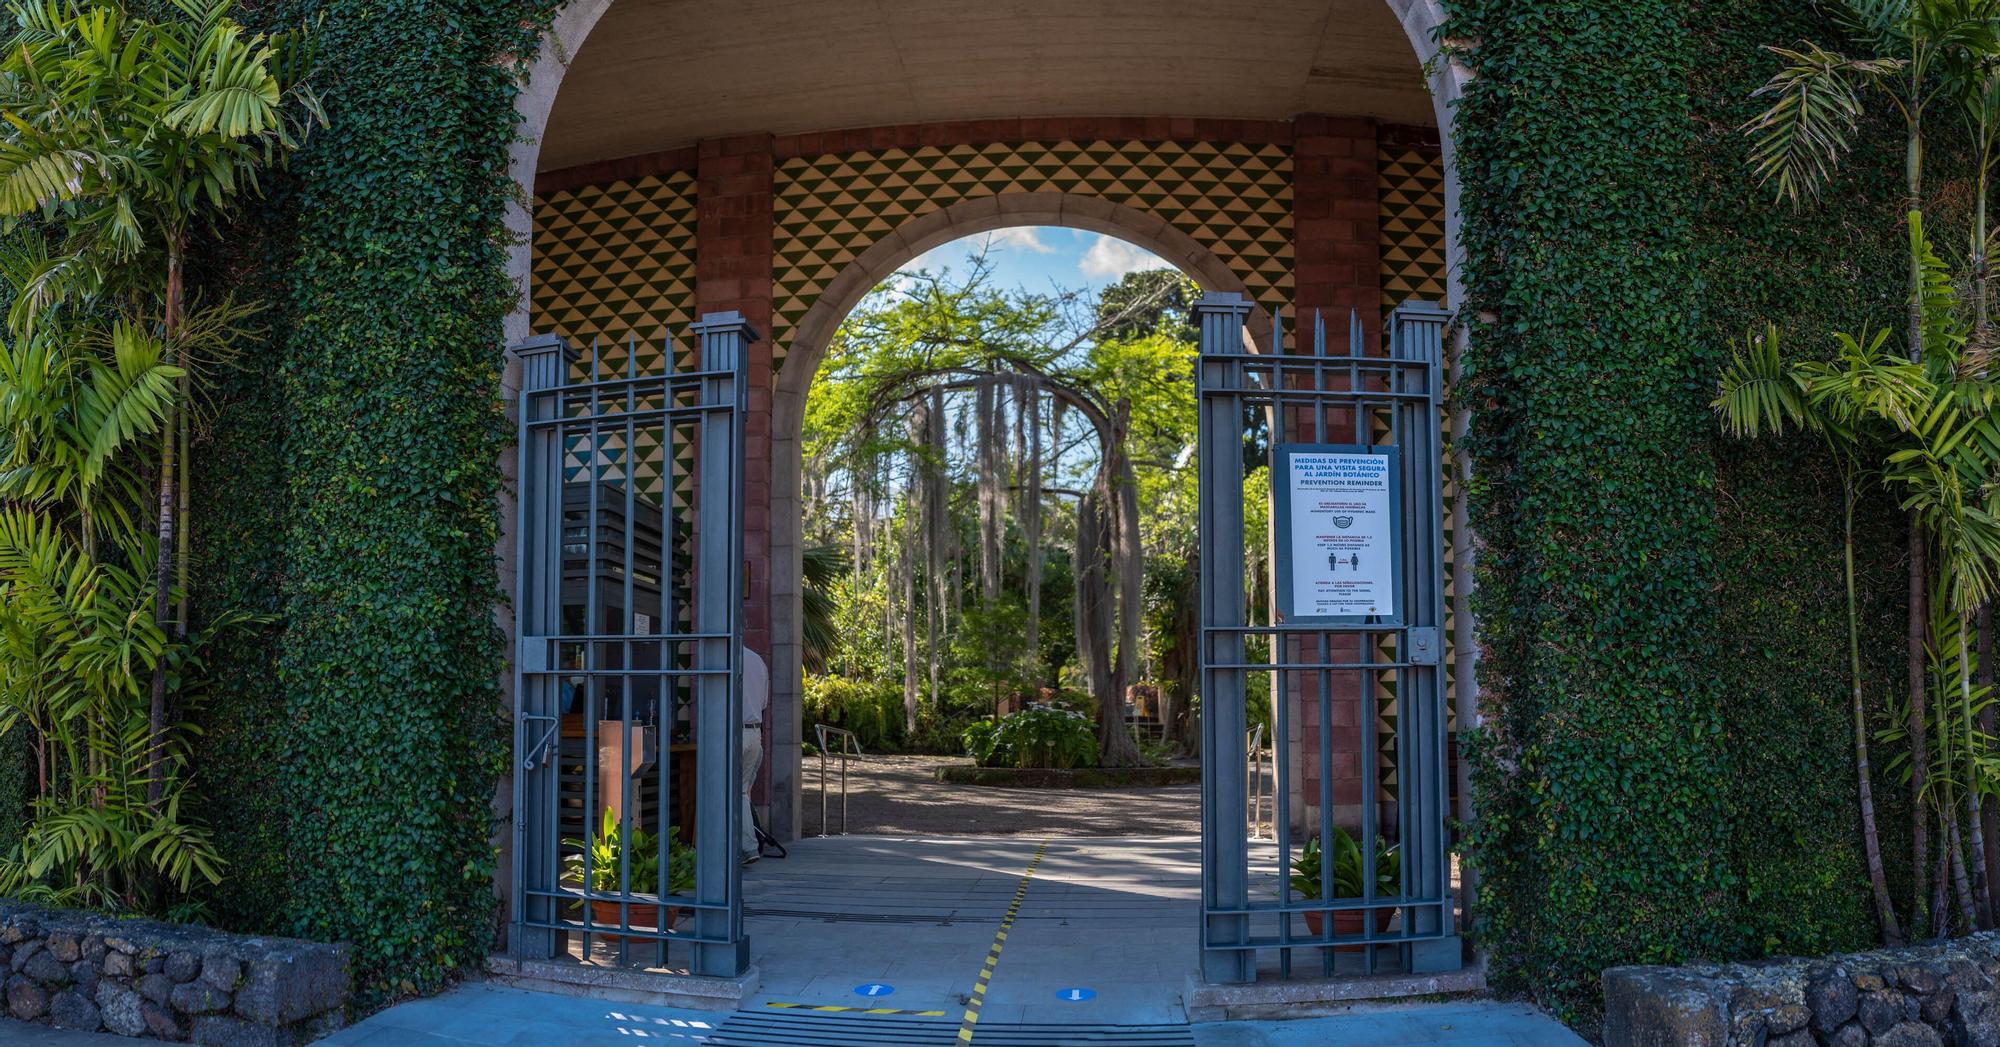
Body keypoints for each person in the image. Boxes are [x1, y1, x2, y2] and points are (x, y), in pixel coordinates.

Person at [740, 645, 768, 865]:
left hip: (734, 732)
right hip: (755, 731)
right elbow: (764, 702)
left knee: (733, 793)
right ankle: (749, 843)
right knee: (741, 792)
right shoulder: (757, 660)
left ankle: (748, 847)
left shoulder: (725, 658)